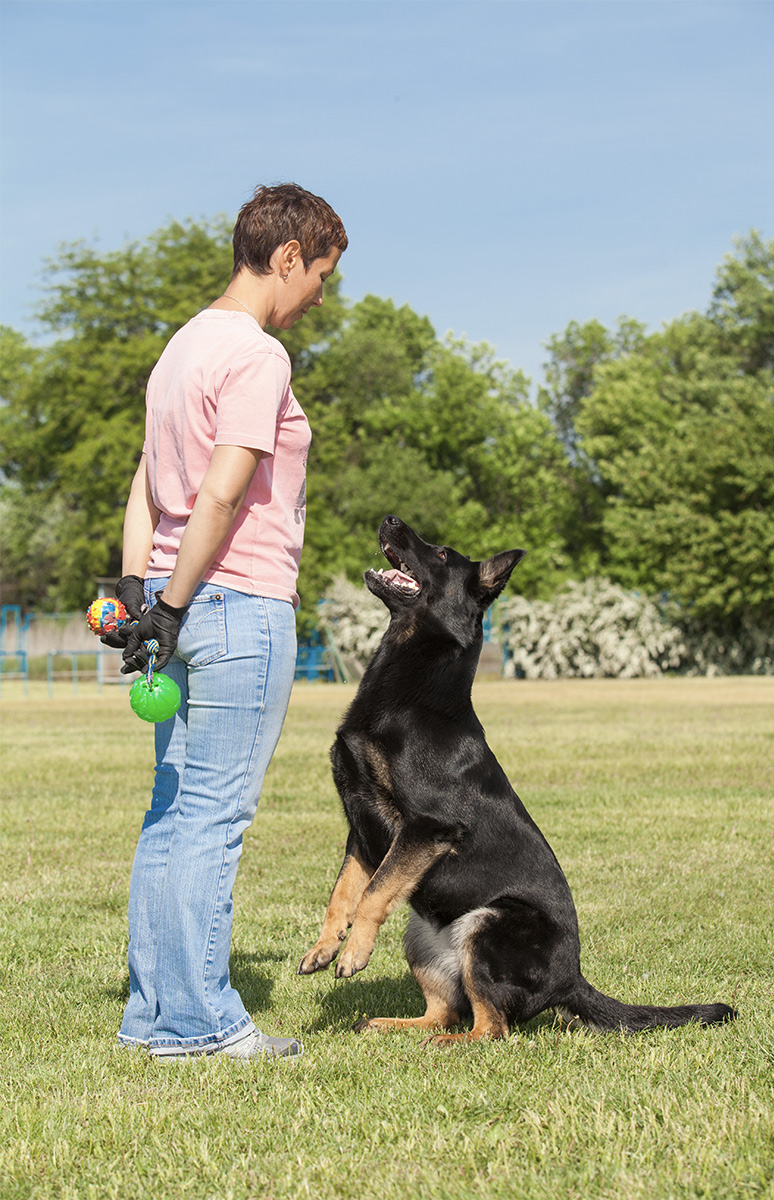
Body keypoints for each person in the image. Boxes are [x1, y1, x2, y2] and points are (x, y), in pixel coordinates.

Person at [105, 183, 347, 1060]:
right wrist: (168, 607)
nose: (322, 291)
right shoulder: (255, 354)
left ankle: (154, 1019)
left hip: (175, 597)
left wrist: (137, 591)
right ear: (287, 258)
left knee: (172, 812)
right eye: (321, 272)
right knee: (212, 815)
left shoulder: (179, 349)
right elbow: (223, 488)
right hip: (236, 603)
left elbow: (145, 481)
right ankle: (204, 1024)